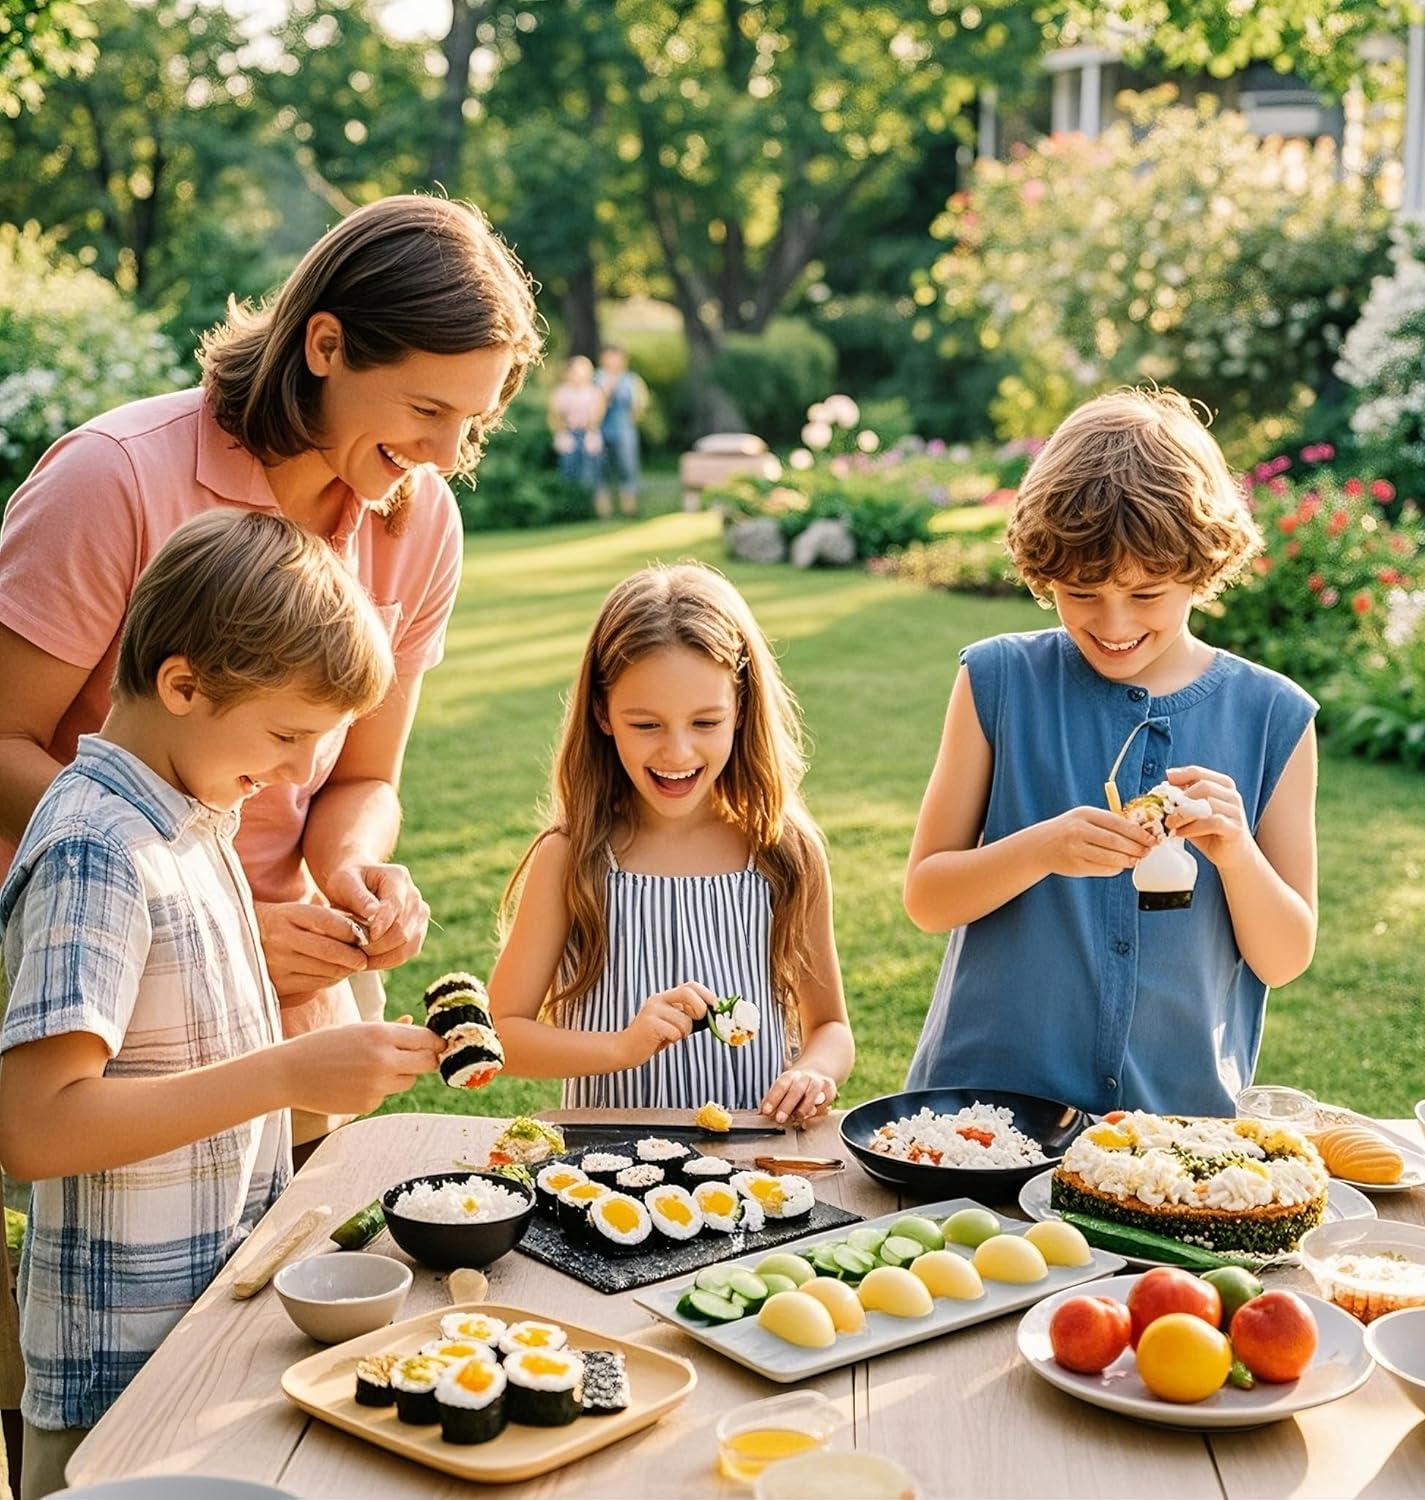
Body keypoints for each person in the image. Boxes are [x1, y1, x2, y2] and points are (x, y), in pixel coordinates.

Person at [0, 194, 542, 1152]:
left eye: (473, 421)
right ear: (326, 345)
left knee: (293, 1252)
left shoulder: (419, 526)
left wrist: (351, 874)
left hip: (290, 961)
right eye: (426, 410)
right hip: (94, 952)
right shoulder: (112, 480)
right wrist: (219, 913)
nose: (448, 458)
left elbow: (366, 777)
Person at [0, 511, 444, 1500]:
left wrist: (325, 1072)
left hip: (200, 1338)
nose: (294, 774)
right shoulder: (96, 852)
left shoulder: (196, 821)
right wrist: (285, 1073)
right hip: (116, 1387)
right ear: (184, 685)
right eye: (286, 735)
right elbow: (34, 1127)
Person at [903, 388, 1318, 1117]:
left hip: (1175, 1125)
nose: (1114, 622)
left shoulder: (1273, 716)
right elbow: (928, 897)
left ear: (1202, 566)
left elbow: (1284, 958)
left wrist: (1236, 852)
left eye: (1148, 592)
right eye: (1081, 591)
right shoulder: (997, 682)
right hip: (984, 1117)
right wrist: (1040, 849)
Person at [490, 563, 855, 1120]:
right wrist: (622, 1047)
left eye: (706, 723)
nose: (678, 753)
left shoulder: (784, 853)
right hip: (606, 1168)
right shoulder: (572, 856)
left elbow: (829, 1025)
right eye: (646, 725)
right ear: (602, 714)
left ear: (741, 712)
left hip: (752, 1164)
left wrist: (815, 1070)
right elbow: (499, 1035)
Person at [594, 344, 647, 518]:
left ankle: (629, 510)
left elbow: (639, 405)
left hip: (625, 431)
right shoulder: (597, 379)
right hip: (601, 430)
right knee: (600, 472)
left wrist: (634, 418)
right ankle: (604, 512)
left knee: (628, 470)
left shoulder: (632, 379)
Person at [547, 355, 606, 498]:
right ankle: (570, 505)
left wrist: (590, 430)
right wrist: (561, 432)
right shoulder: (560, 392)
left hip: (588, 434)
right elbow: (554, 415)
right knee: (568, 473)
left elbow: (598, 413)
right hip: (569, 434)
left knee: (592, 475)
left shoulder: (595, 392)